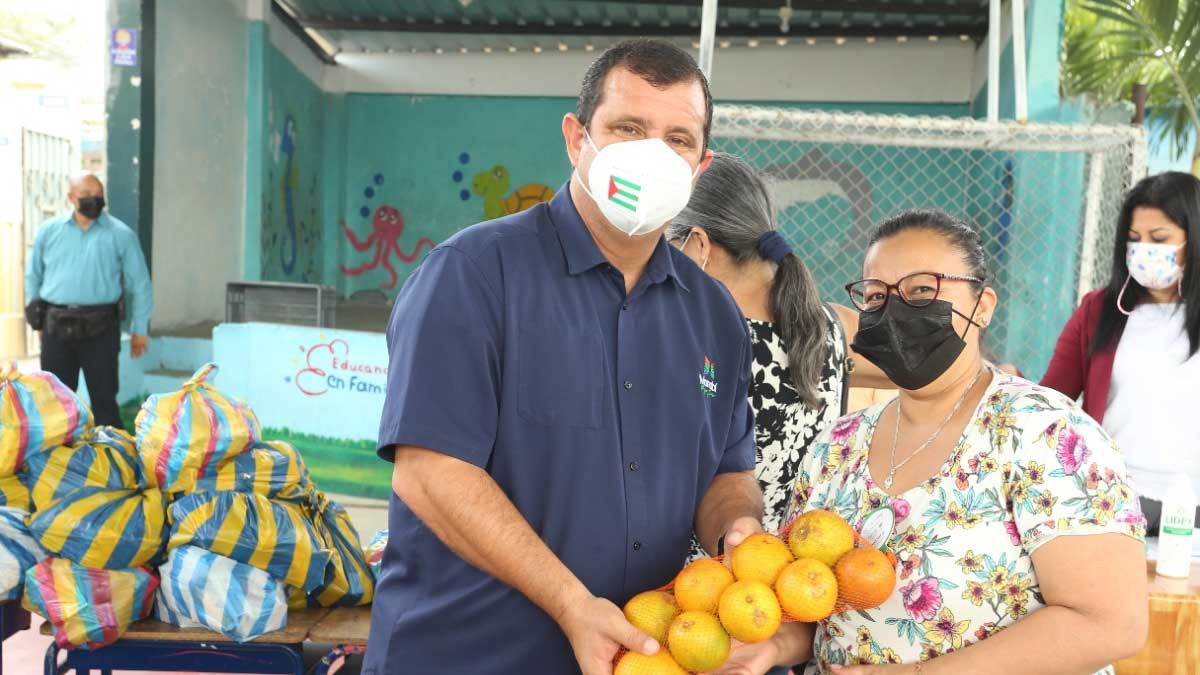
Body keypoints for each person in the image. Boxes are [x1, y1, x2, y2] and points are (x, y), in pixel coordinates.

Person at [364, 40, 765, 675]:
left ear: (699, 166)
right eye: (628, 128)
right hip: (465, 657)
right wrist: (572, 604)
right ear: (578, 139)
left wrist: (737, 528)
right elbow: (431, 474)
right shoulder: (473, 275)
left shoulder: (714, 315)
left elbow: (727, 472)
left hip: (635, 660)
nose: (653, 155)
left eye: (677, 140)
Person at [714, 209, 1147, 675]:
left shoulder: (1047, 433)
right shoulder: (837, 445)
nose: (895, 309)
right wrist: (774, 646)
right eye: (876, 296)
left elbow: (1110, 623)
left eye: (922, 290)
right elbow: (818, 609)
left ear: (983, 305)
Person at [667, 153, 893, 539]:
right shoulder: (834, 326)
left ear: (698, 245)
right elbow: (924, 370)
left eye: (665, 246)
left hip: (709, 569)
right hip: (805, 562)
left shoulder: (694, 341)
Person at [1041, 171, 1200, 534]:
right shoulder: (1098, 310)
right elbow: (1051, 397)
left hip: (1193, 504)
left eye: (1159, 239)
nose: (1144, 250)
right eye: (1134, 239)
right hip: (1112, 498)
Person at [24, 173, 152, 429]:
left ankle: (111, 452)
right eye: (86, 195)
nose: (94, 200)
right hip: (56, 325)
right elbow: (33, 276)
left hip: (101, 327)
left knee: (104, 401)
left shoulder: (121, 234)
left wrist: (140, 329)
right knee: (55, 402)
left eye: (98, 195)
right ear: (71, 198)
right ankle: (58, 451)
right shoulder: (49, 231)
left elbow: (140, 284)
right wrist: (37, 321)